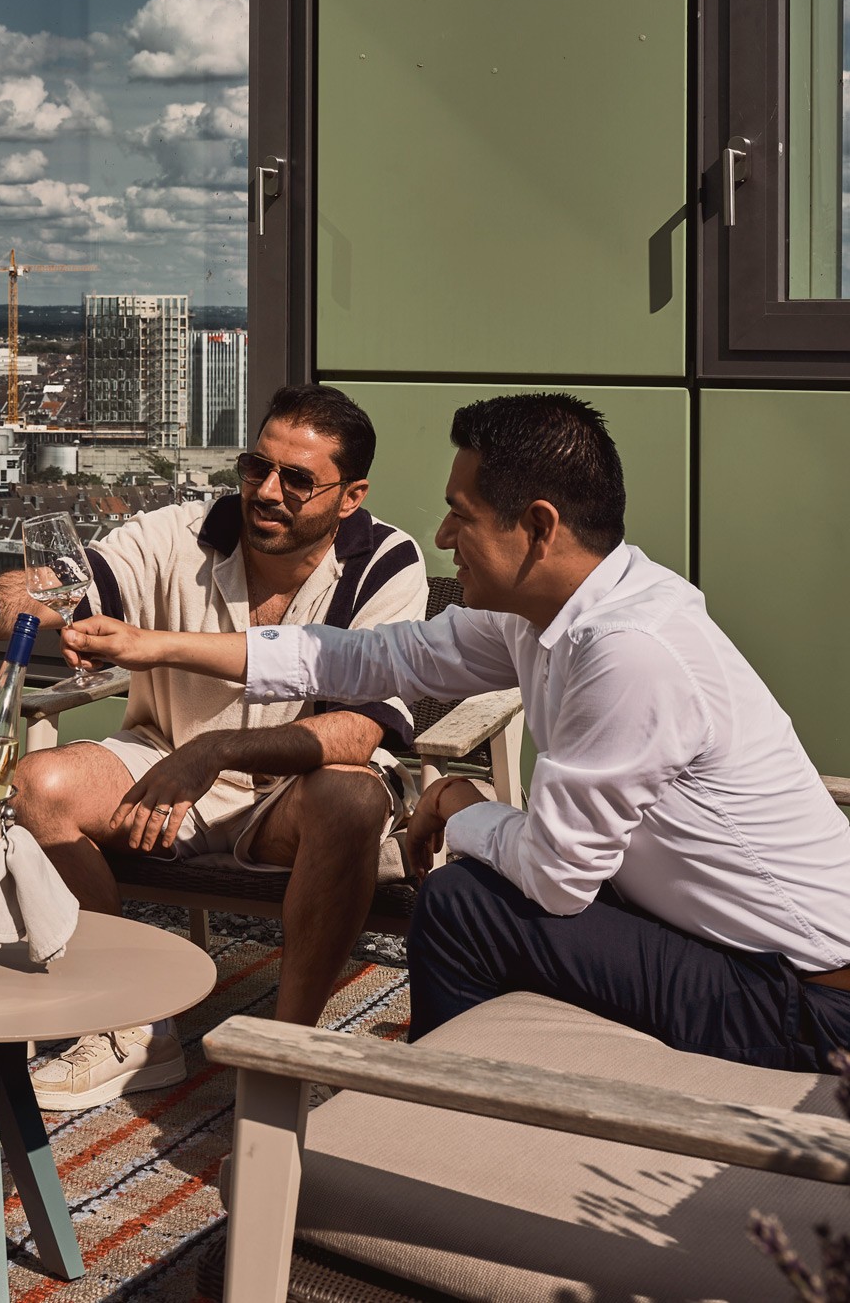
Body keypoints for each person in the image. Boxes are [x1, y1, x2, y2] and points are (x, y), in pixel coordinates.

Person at [66, 392, 850, 1074]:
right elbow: (375, 656)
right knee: (471, 892)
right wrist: (154, 645)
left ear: (537, 527)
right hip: (721, 945)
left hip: (804, 1002)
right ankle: (468, 1097)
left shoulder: (629, 653)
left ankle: (437, 1120)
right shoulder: (548, 616)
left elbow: (556, 878)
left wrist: (454, 804)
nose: (442, 535)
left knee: (462, 905)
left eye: (462, 514)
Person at [0, 385, 428, 1110]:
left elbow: (356, 732)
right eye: (258, 466)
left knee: (350, 795)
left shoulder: (386, 562)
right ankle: (131, 1025)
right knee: (38, 783)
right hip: (163, 757)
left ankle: (284, 1053)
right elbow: (61, 584)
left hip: (294, 793)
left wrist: (216, 751)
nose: (267, 491)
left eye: (297, 479)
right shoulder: (183, 530)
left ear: (351, 496)